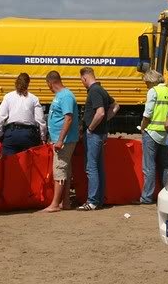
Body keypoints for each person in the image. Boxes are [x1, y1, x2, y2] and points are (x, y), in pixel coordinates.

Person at [77, 67, 119, 211]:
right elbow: (115, 106)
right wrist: (105, 120)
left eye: (81, 80)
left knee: (91, 167)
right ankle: (98, 200)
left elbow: (100, 112)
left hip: (94, 134)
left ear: (84, 78)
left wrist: (91, 128)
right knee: (98, 167)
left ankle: (92, 201)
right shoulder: (101, 89)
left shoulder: (94, 91)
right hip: (101, 133)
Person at [41, 70, 79, 213]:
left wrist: (60, 139)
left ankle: (55, 204)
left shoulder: (65, 96)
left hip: (64, 140)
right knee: (66, 170)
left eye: (48, 85)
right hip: (61, 139)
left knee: (59, 170)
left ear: (51, 83)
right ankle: (66, 202)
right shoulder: (61, 96)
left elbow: (68, 118)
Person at [139, 70, 168, 204]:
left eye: (147, 83)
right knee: (165, 166)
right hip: (166, 133)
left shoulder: (153, 91)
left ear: (151, 81)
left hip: (152, 132)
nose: (146, 86)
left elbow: (148, 113)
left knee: (149, 166)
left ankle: (147, 197)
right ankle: (167, 195)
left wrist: (142, 127)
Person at [0, 73, 46, 156]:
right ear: (28, 83)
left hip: (11, 134)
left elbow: (0, 117)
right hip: (29, 135)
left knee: (9, 165)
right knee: (29, 164)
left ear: (16, 82)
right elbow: (40, 120)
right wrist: (43, 137)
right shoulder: (34, 99)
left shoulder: (8, 97)